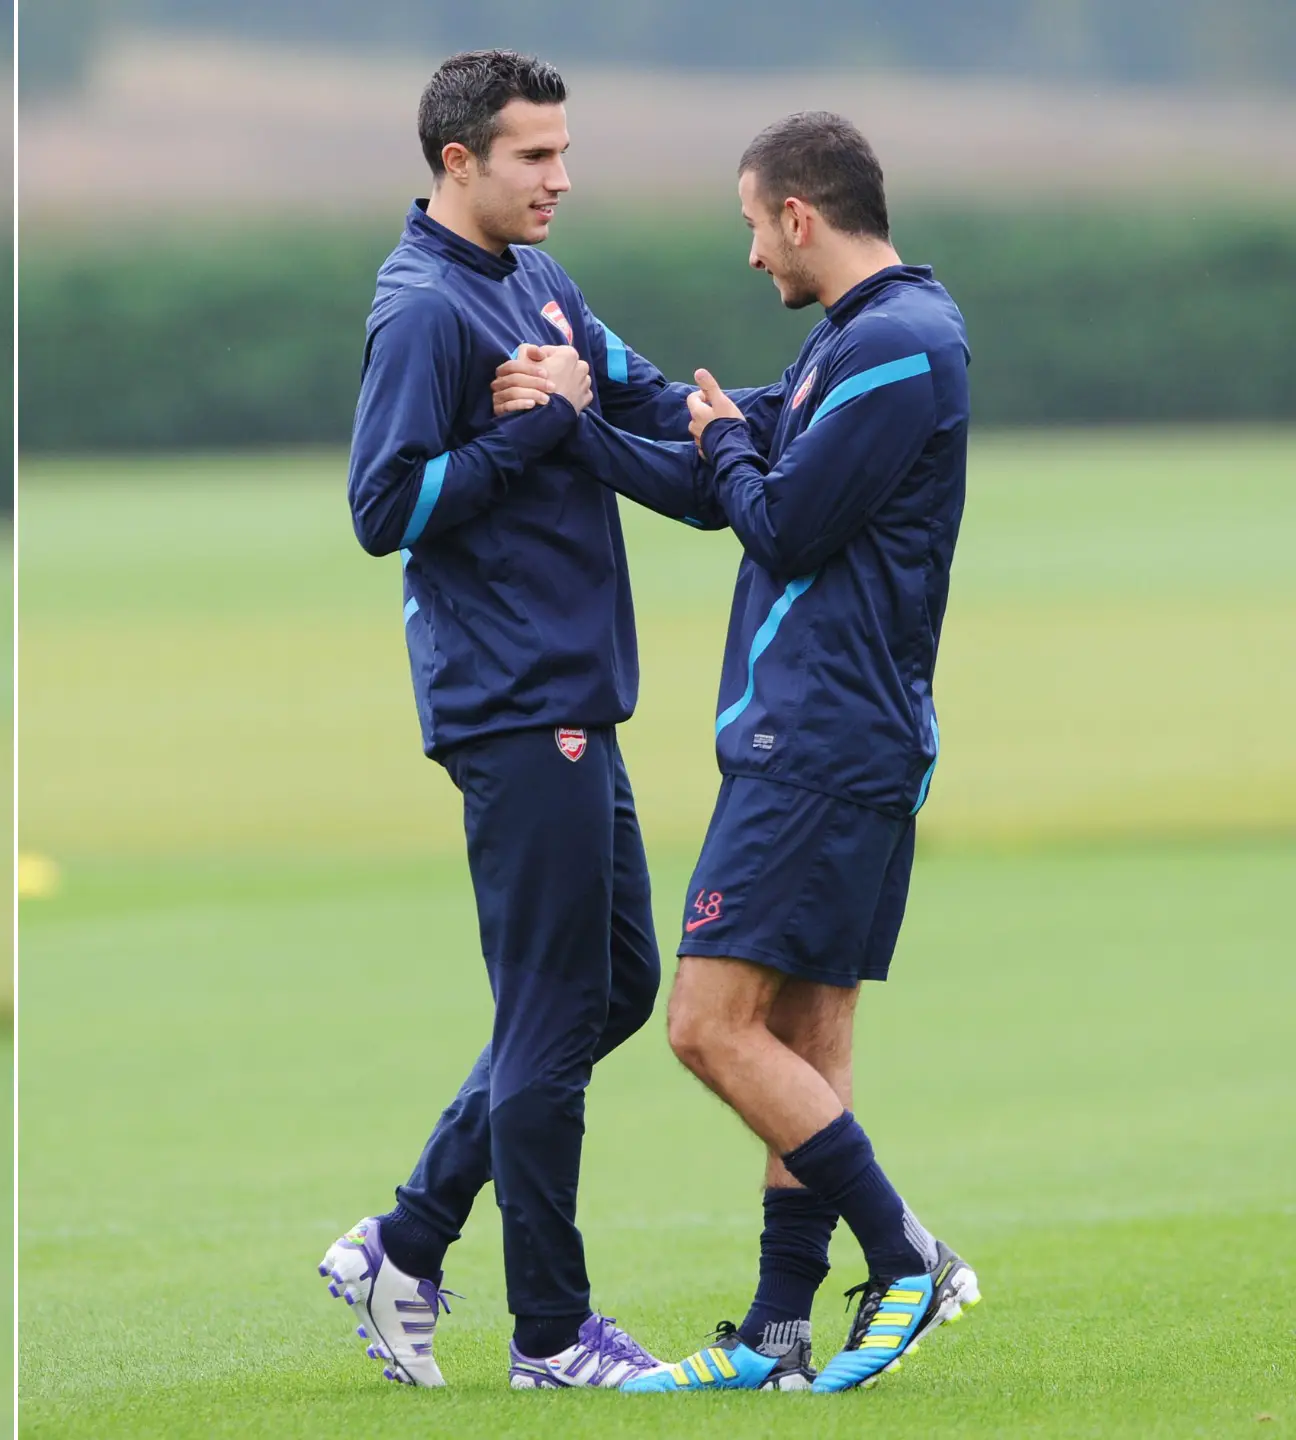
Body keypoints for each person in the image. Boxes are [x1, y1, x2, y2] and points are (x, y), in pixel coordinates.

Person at [508, 110, 981, 1394]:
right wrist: (578, 415)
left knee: (707, 1028)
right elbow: (708, 467)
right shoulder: (851, 340)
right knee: (800, 1042)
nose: (747, 259)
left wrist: (720, 442)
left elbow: (776, 520)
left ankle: (904, 1257)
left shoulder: (895, 349)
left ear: (797, 216)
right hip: (835, 737)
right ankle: (777, 1334)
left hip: (823, 738)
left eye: (748, 227)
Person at [321, 48, 694, 1391]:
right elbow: (384, 512)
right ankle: (550, 1337)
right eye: (535, 155)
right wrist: (532, 438)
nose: (562, 177)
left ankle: (406, 1236)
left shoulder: (540, 279)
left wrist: (757, 423)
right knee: (549, 1011)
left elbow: (631, 392)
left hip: (577, 695)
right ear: (457, 161)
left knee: (621, 986)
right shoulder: (422, 309)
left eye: (564, 150)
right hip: (513, 699)